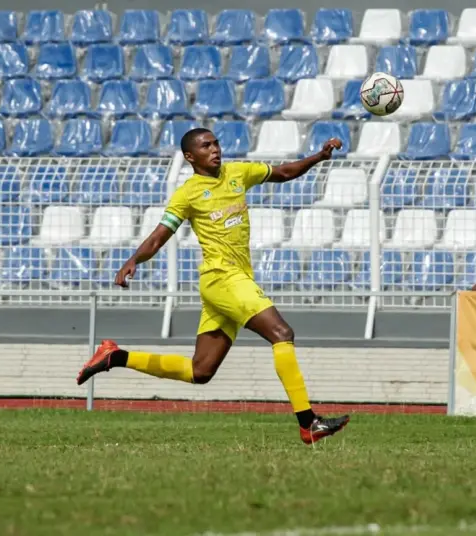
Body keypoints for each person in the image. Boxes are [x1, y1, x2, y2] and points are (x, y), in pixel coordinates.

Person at [77, 128, 349, 445]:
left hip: (233, 281)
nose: (215, 149)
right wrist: (134, 260)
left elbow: (285, 172)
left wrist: (318, 156)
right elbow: (159, 236)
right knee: (282, 334)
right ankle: (308, 422)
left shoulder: (238, 173)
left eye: (216, 143)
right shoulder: (188, 193)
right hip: (221, 278)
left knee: (200, 371)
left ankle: (115, 356)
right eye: (206, 146)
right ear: (191, 156)